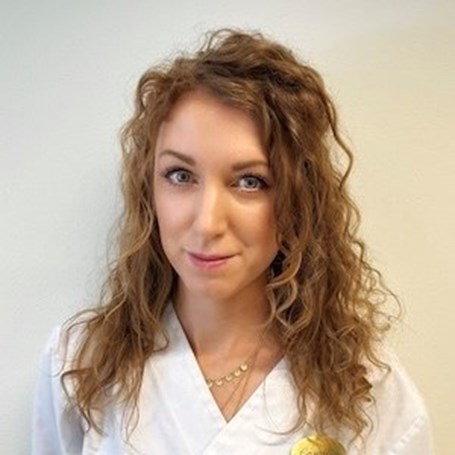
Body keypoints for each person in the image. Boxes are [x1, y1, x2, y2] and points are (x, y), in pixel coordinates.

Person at [32, 29, 432, 454]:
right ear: (149, 190)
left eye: (250, 182)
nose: (207, 223)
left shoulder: (370, 393)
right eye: (181, 176)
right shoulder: (81, 365)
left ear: (299, 199)